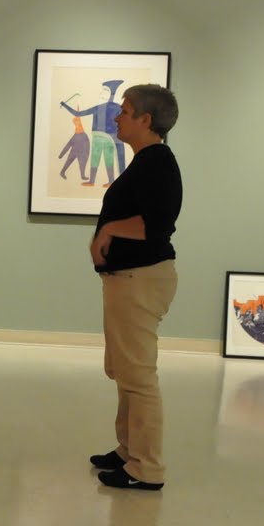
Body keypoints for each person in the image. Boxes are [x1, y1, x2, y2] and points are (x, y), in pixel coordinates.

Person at [86, 84, 182, 491]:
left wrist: (108, 230)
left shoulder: (158, 163)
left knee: (138, 376)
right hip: (129, 279)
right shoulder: (147, 162)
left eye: (124, 111)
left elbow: (157, 224)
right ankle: (129, 450)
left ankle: (147, 467)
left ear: (146, 120)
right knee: (125, 371)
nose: (116, 117)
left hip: (140, 278)